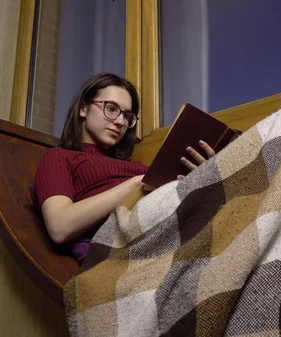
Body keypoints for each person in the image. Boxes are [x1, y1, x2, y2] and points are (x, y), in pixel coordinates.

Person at [33, 73, 214, 262]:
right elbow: (60, 226)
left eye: (127, 116)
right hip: (133, 240)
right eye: (111, 108)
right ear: (83, 108)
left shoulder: (136, 167)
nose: (120, 122)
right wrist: (136, 185)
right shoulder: (59, 157)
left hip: (176, 226)